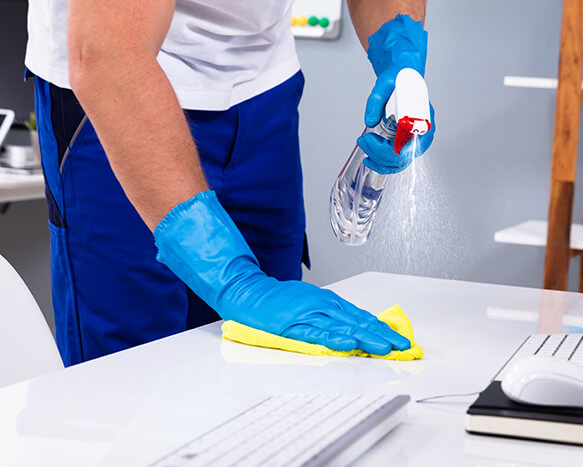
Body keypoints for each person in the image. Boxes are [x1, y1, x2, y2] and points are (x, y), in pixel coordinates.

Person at [25, 0, 434, 366]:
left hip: (262, 88)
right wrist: (236, 282)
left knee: (271, 358)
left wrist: (400, 52)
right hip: (121, 84)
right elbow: (108, 57)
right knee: (132, 373)